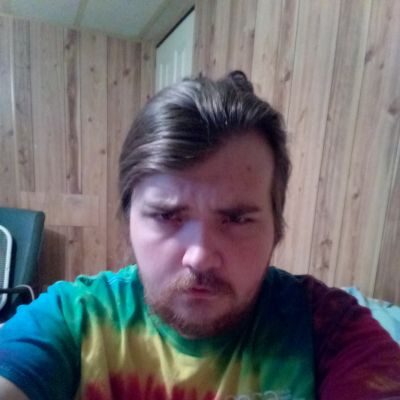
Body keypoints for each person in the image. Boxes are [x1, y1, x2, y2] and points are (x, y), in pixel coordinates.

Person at [0, 71, 399, 400]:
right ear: (128, 222)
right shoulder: (73, 319)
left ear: (276, 229)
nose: (200, 256)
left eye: (237, 219)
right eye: (167, 215)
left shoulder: (328, 327)